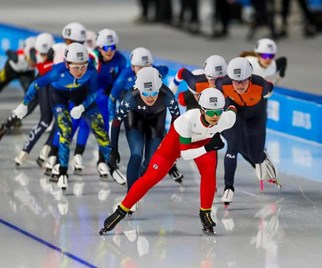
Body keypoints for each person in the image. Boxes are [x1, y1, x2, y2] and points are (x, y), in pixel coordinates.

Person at [99, 88, 237, 236]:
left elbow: (233, 109)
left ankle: (205, 213)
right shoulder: (188, 120)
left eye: (218, 112)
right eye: (210, 112)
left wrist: (230, 98)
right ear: (202, 110)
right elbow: (185, 154)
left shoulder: (226, 119)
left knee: (209, 172)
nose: (215, 116)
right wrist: (208, 147)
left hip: (203, 142)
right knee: (151, 177)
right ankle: (121, 211)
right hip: (175, 144)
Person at [10, 43, 117, 191]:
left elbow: (93, 93)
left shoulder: (91, 70)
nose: (79, 71)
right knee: (65, 128)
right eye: (75, 67)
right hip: (58, 95)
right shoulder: (57, 72)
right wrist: (24, 104)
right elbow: (35, 85)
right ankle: (61, 170)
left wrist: (82, 107)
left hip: (79, 95)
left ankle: (110, 165)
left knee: (97, 125)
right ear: (67, 65)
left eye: (83, 66)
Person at [12, 23, 88, 167]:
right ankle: (34, 152)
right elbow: (39, 77)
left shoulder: (86, 56)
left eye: (77, 43)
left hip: (71, 93)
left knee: (64, 124)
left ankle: (48, 153)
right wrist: (25, 104)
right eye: (70, 42)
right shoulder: (57, 53)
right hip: (54, 89)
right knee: (48, 120)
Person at [107, 47, 183, 182]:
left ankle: (141, 180)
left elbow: (176, 121)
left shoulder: (161, 75)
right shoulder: (124, 77)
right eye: (140, 68)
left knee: (151, 160)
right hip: (134, 112)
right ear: (132, 67)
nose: (145, 71)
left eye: (148, 66)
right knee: (136, 154)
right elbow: (112, 98)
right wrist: (112, 118)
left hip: (155, 115)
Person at [216, 57, 280, 207]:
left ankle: (262, 157)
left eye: (243, 81)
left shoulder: (262, 86)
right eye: (235, 81)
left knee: (255, 156)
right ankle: (229, 187)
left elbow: (270, 88)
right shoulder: (222, 84)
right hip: (235, 113)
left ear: (250, 78)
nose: (239, 85)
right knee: (233, 146)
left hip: (255, 117)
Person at [72, 28, 127, 177]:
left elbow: (121, 80)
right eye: (106, 48)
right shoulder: (91, 58)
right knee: (85, 123)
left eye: (113, 47)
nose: (109, 51)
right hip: (91, 91)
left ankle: (101, 160)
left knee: (104, 125)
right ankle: (78, 154)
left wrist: (114, 88)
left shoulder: (121, 59)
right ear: (99, 47)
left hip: (105, 93)